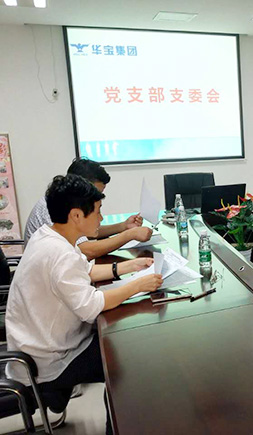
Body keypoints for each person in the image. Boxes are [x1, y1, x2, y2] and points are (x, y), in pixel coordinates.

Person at [6, 174, 163, 435]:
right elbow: (92, 306)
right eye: (98, 211)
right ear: (77, 215)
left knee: (121, 341)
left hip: (40, 345)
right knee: (125, 363)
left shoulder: (49, 236)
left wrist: (129, 267)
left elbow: (86, 271)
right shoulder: (58, 253)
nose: (101, 218)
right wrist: (138, 285)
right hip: (48, 361)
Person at [24, 158, 152, 259]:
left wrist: (123, 226)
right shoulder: (55, 207)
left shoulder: (63, 200)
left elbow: (87, 231)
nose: (98, 198)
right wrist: (129, 235)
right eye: (95, 193)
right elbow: (86, 251)